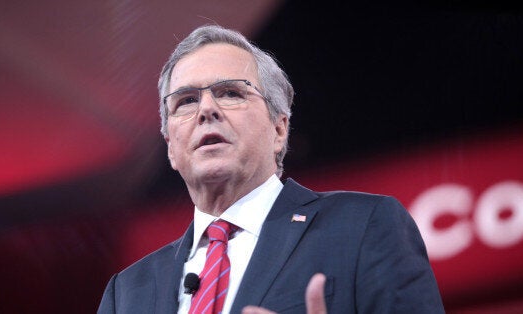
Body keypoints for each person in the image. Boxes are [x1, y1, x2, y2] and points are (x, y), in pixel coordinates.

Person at [98, 25, 444, 313]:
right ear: (171, 147)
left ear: (279, 130)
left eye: (231, 92)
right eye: (186, 101)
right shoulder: (127, 293)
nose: (206, 110)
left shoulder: (364, 226)